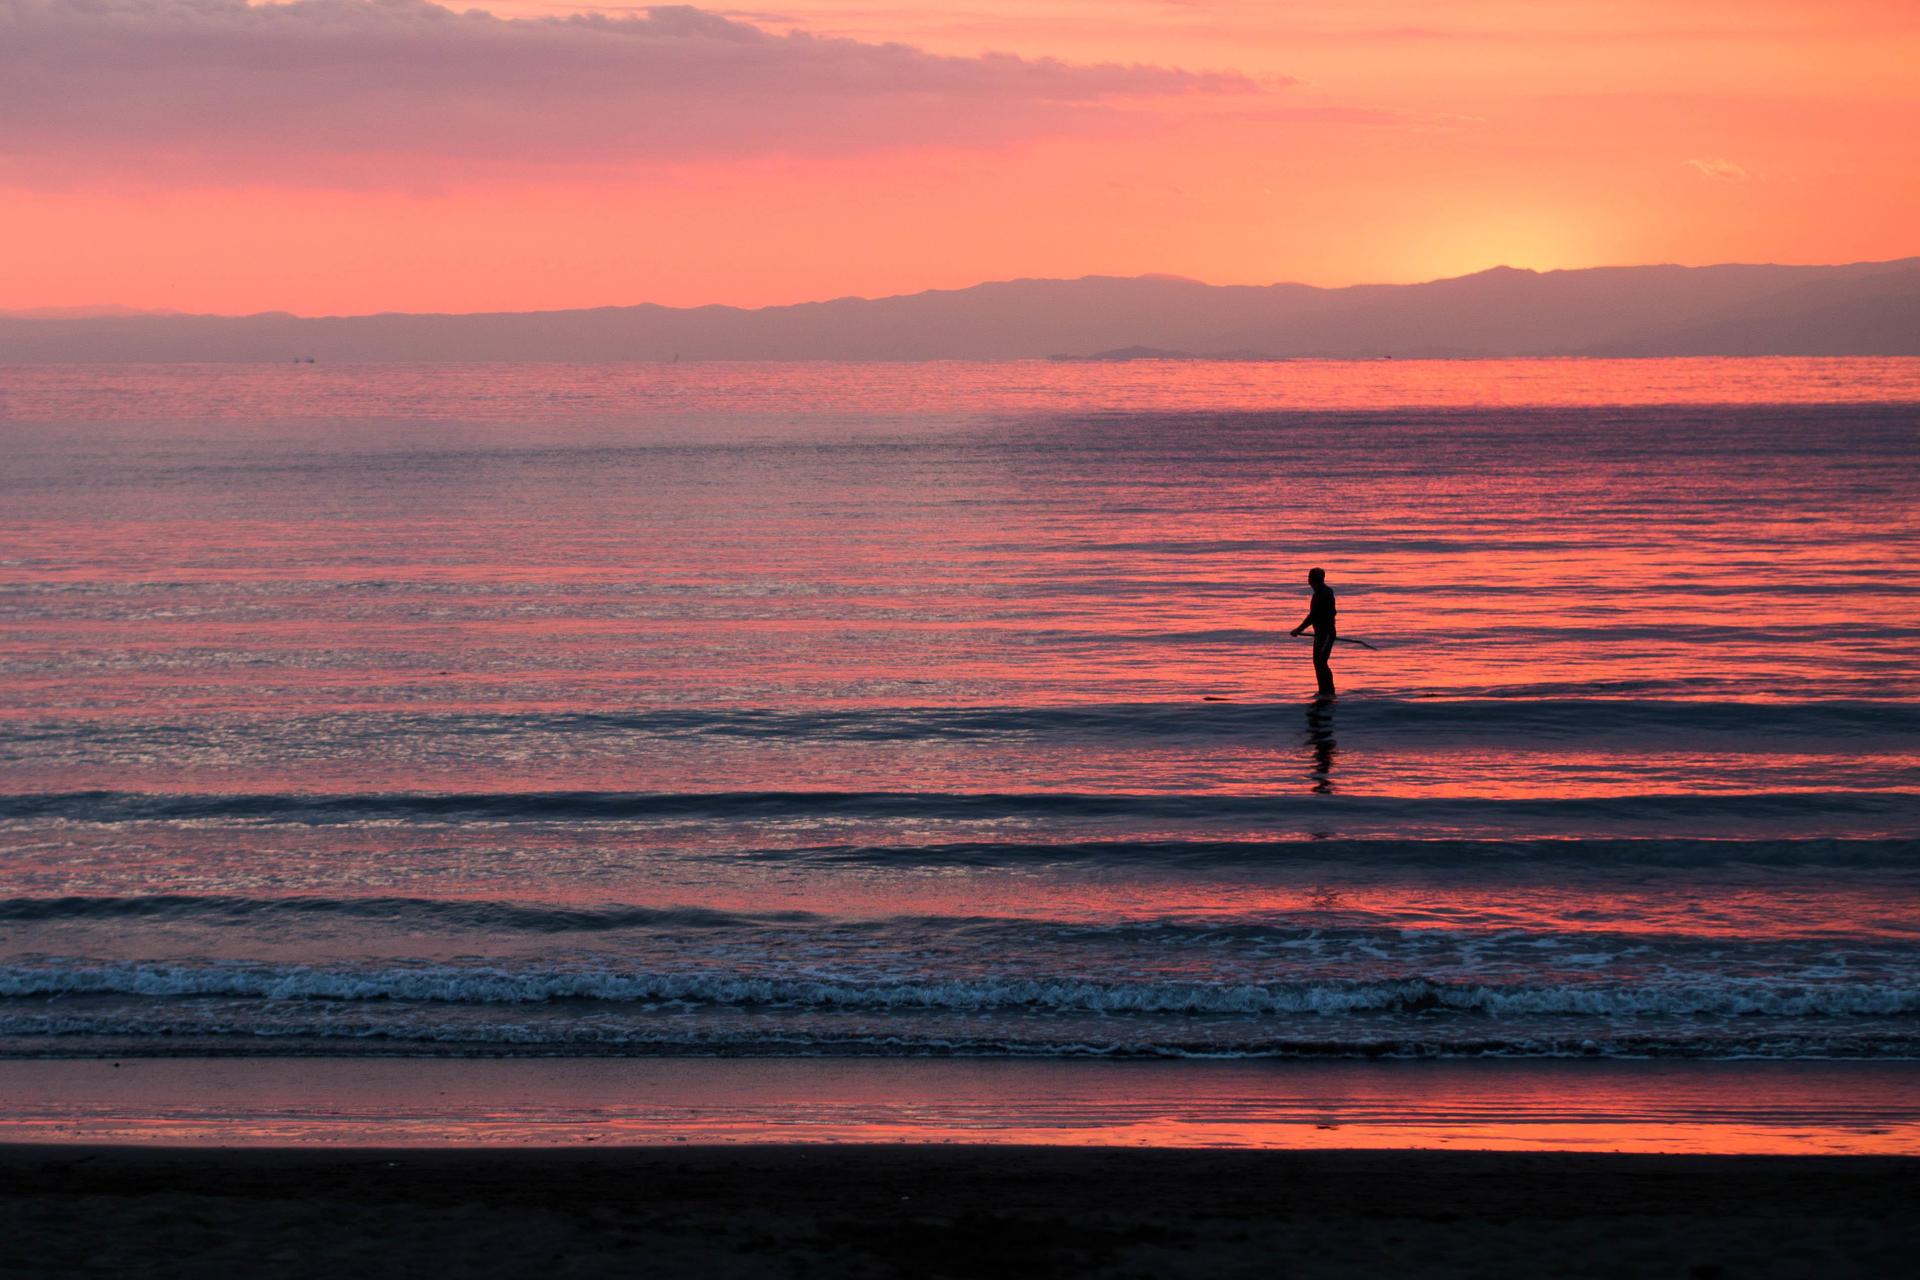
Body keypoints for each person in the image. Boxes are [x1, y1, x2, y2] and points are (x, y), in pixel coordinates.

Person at [1289, 567, 1337, 698]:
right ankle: (1324, 691)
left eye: (1309, 578)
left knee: (1321, 662)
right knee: (1318, 661)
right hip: (1320, 634)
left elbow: (1313, 616)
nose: (1308, 580)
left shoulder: (1322, 594)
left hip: (1326, 634)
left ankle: (1328, 691)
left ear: (1312, 580)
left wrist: (1298, 630)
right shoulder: (1322, 592)